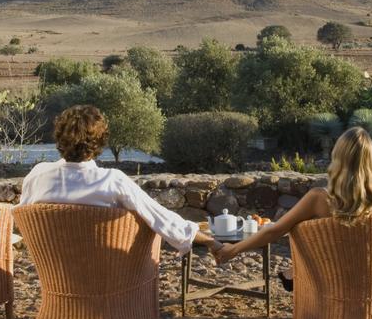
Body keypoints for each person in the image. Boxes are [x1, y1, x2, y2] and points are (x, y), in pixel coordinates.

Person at [214, 127, 372, 287]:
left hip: (338, 285)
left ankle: (298, 284)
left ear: (338, 158)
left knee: (297, 265)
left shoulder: (321, 198)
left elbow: (275, 231)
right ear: (371, 159)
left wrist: (233, 249)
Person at [19, 104, 221, 255]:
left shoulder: (37, 175)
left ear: (59, 138)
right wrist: (212, 242)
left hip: (56, 276)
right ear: (100, 142)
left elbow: (22, 219)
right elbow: (163, 220)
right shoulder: (111, 180)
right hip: (111, 277)